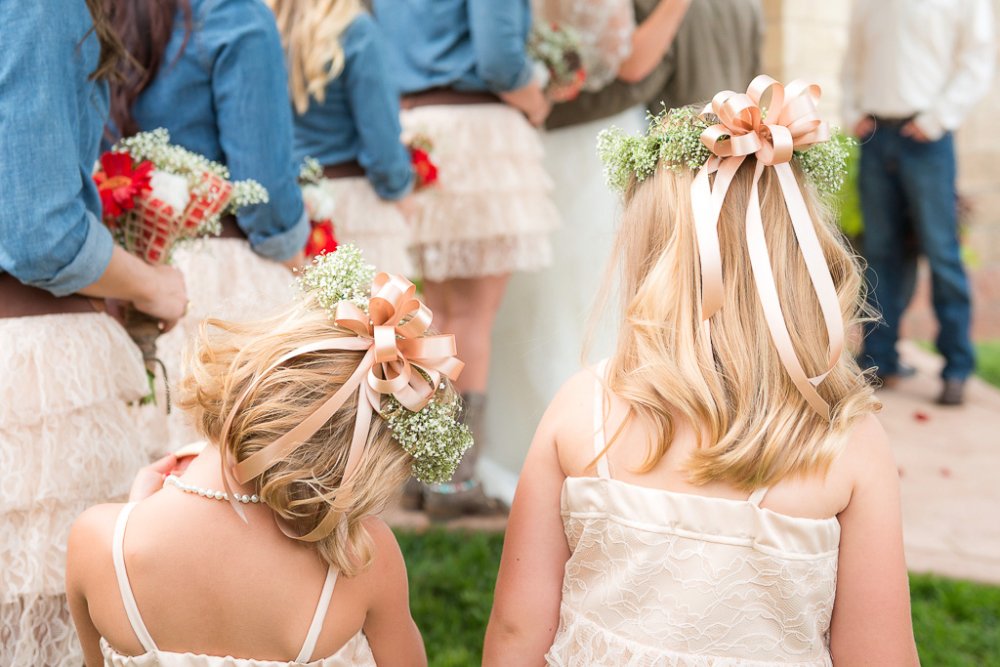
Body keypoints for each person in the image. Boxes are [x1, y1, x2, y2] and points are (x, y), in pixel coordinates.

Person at [483, 78, 919, 665]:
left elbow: (515, 632)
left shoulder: (581, 409)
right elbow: (879, 654)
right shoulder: (843, 441)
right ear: (799, 257)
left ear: (648, 252)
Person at [65, 252, 465, 665]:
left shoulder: (99, 542)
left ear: (244, 372)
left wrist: (134, 514)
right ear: (358, 460)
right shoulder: (361, 556)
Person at [0, 1, 188, 664]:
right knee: (45, 622)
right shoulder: (39, 9)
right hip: (29, 368)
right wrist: (151, 283)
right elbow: (43, 237)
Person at [487, 0, 696, 494]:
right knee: (598, 290)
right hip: (595, 138)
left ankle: (515, 443)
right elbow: (633, 62)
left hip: (538, 140)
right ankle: (598, 447)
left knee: (539, 293)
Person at [373, 0, 560, 518]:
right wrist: (536, 96)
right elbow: (500, 61)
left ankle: (422, 470)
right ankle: (454, 481)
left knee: (431, 315)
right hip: (476, 131)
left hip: (415, 127)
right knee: (471, 318)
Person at [109, 0, 310, 449]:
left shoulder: (103, 12)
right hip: (219, 273)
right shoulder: (233, 13)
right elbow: (264, 189)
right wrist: (292, 248)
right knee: (227, 467)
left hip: (120, 267)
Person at [842, 0, 995, 405]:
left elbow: (978, 60)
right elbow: (854, 59)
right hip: (875, 136)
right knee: (879, 253)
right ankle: (879, 361)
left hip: (927, 138)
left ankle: (957, 368)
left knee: (942, 253)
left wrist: (937, 119)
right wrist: (852, 111)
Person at [272, 0, 417, 274]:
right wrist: (400, 189)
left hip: (294, 208)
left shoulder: (267, 33)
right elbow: (381, 139)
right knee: (373, 315)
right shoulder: (355, 31)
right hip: (356, 208)